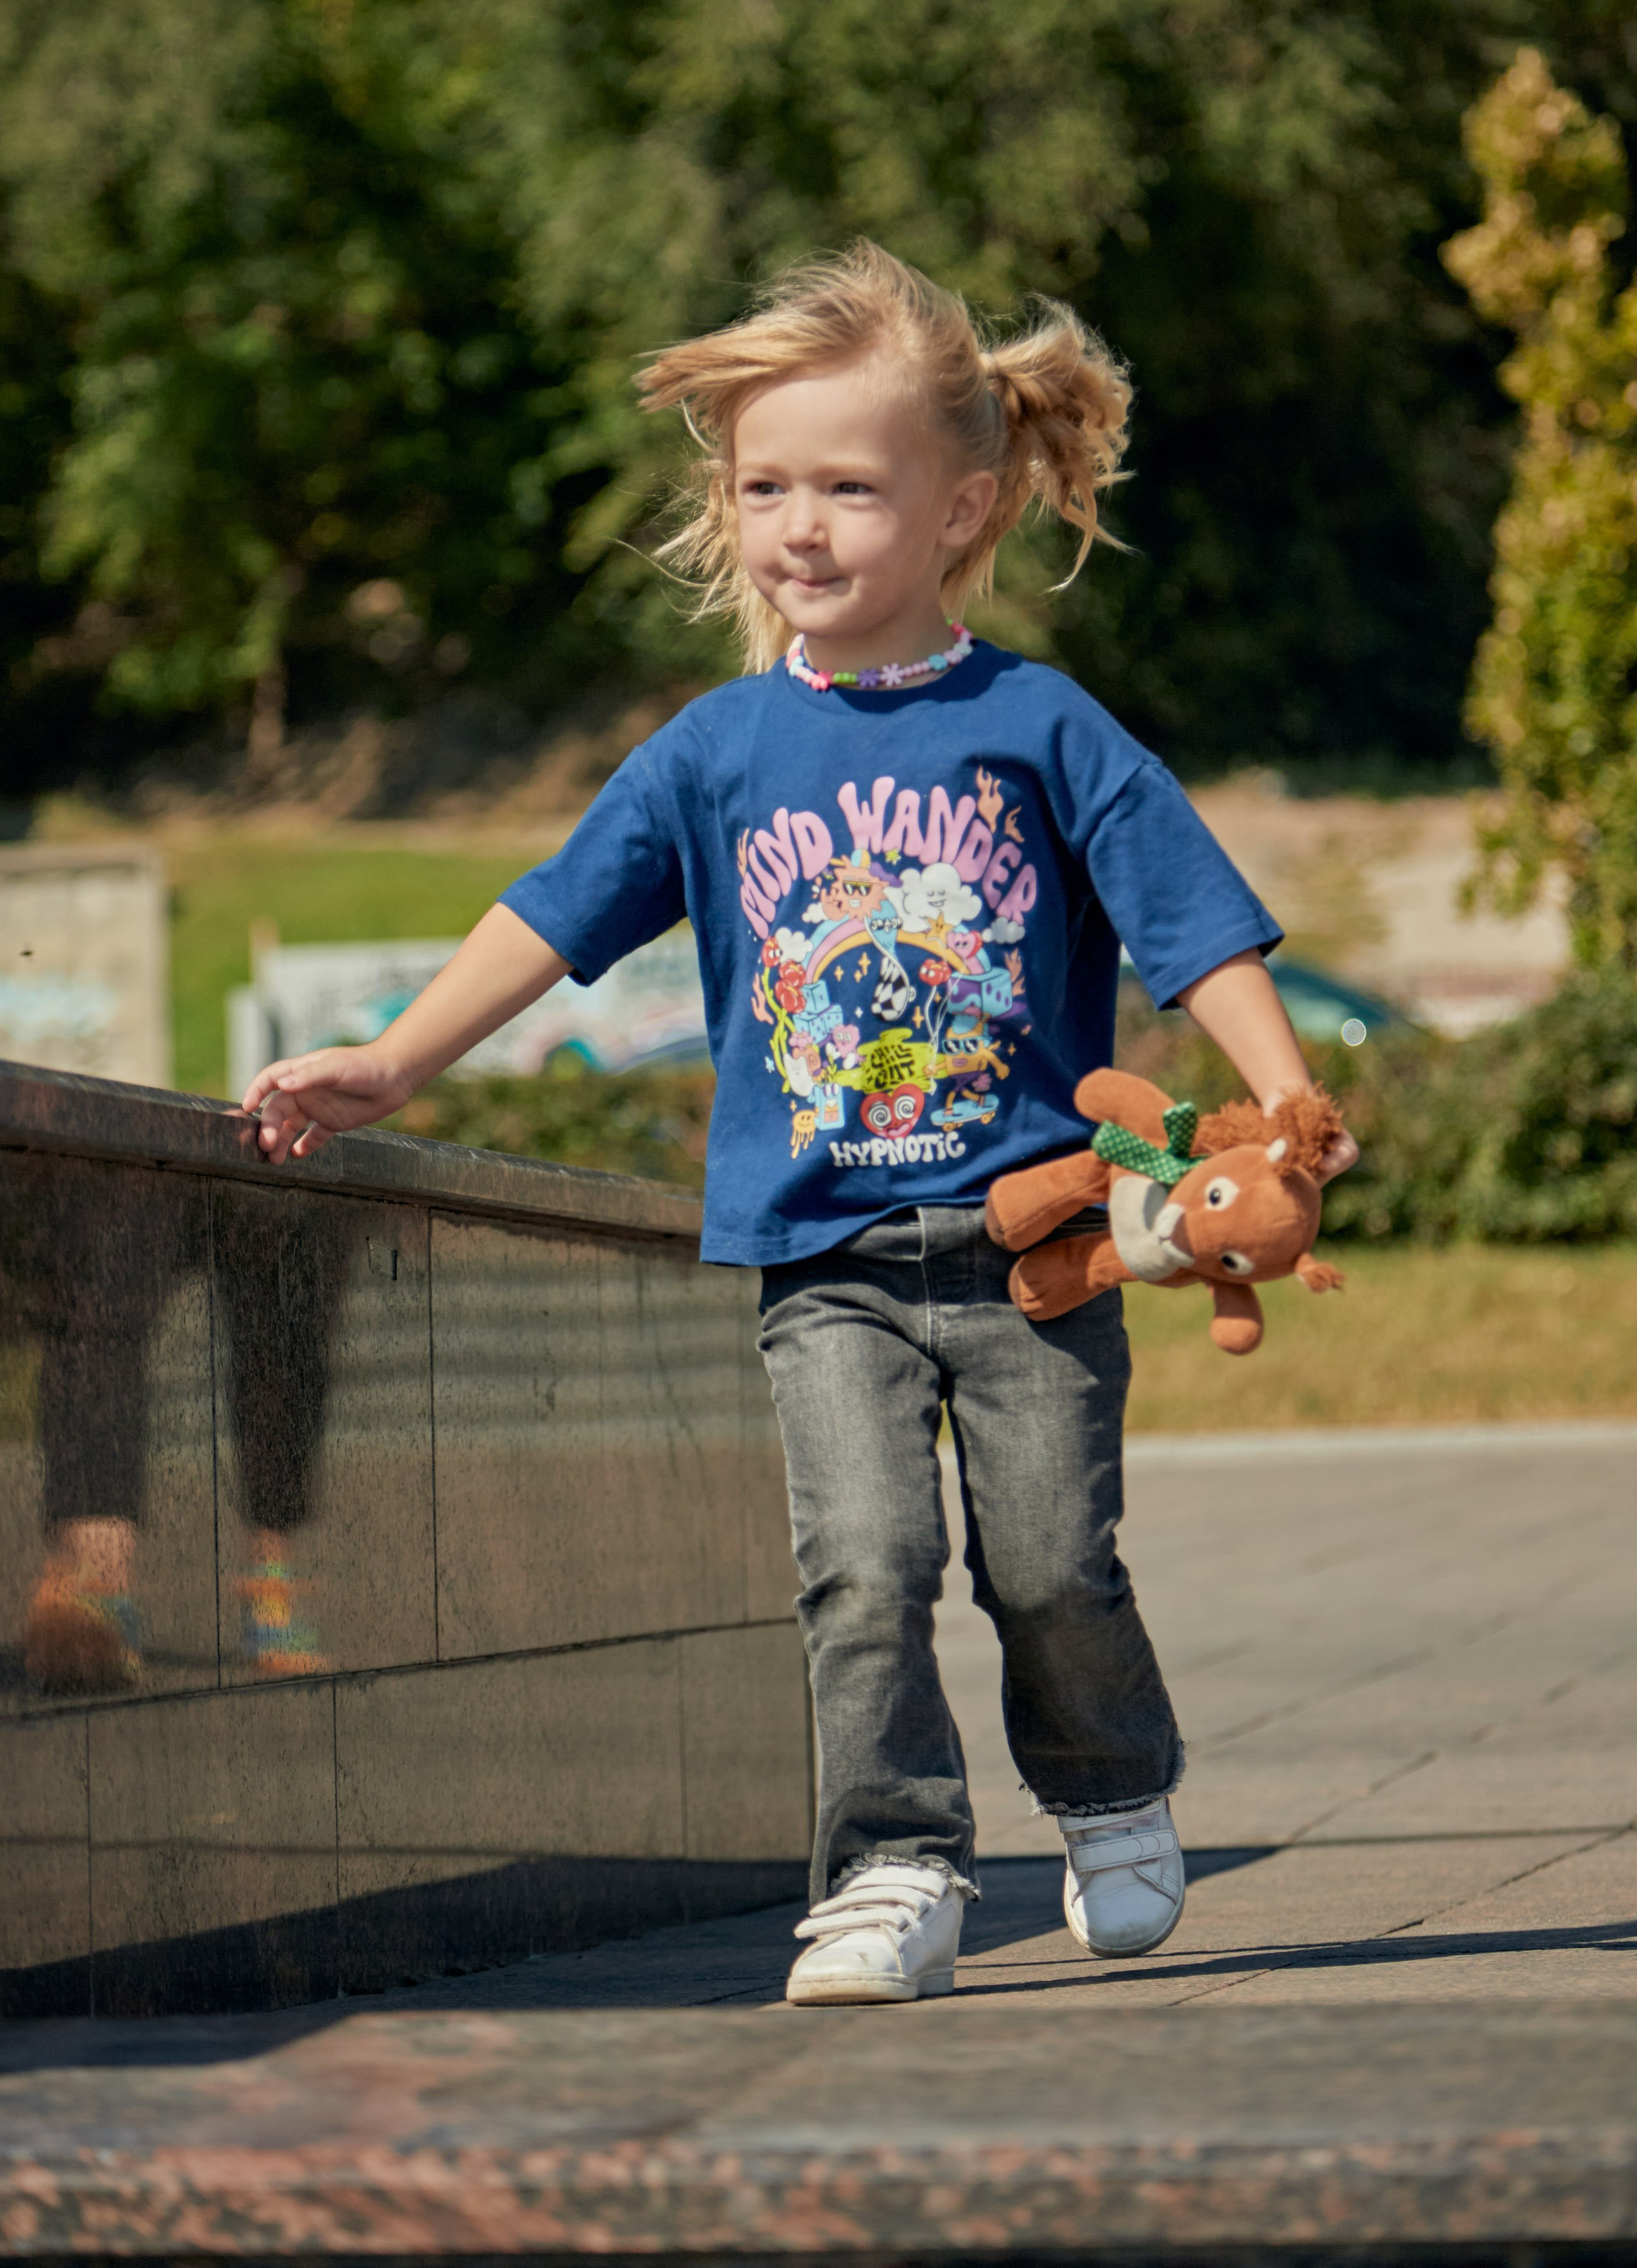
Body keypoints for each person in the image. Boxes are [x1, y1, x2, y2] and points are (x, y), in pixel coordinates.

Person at [244, 242, 1357, 2007]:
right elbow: (551, 914)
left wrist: (1283, 1097)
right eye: (765, 487)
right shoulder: (714, 751)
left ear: (959, 507)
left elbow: (1189, 919)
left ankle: (1108, 1786)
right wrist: (391, 1061)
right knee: (864, 1565)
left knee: (1048, 1567)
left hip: (1039, 1253)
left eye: (847, 487)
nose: (799, 527)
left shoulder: (1038, 724)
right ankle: (892, 1866)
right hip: (820, 1254)